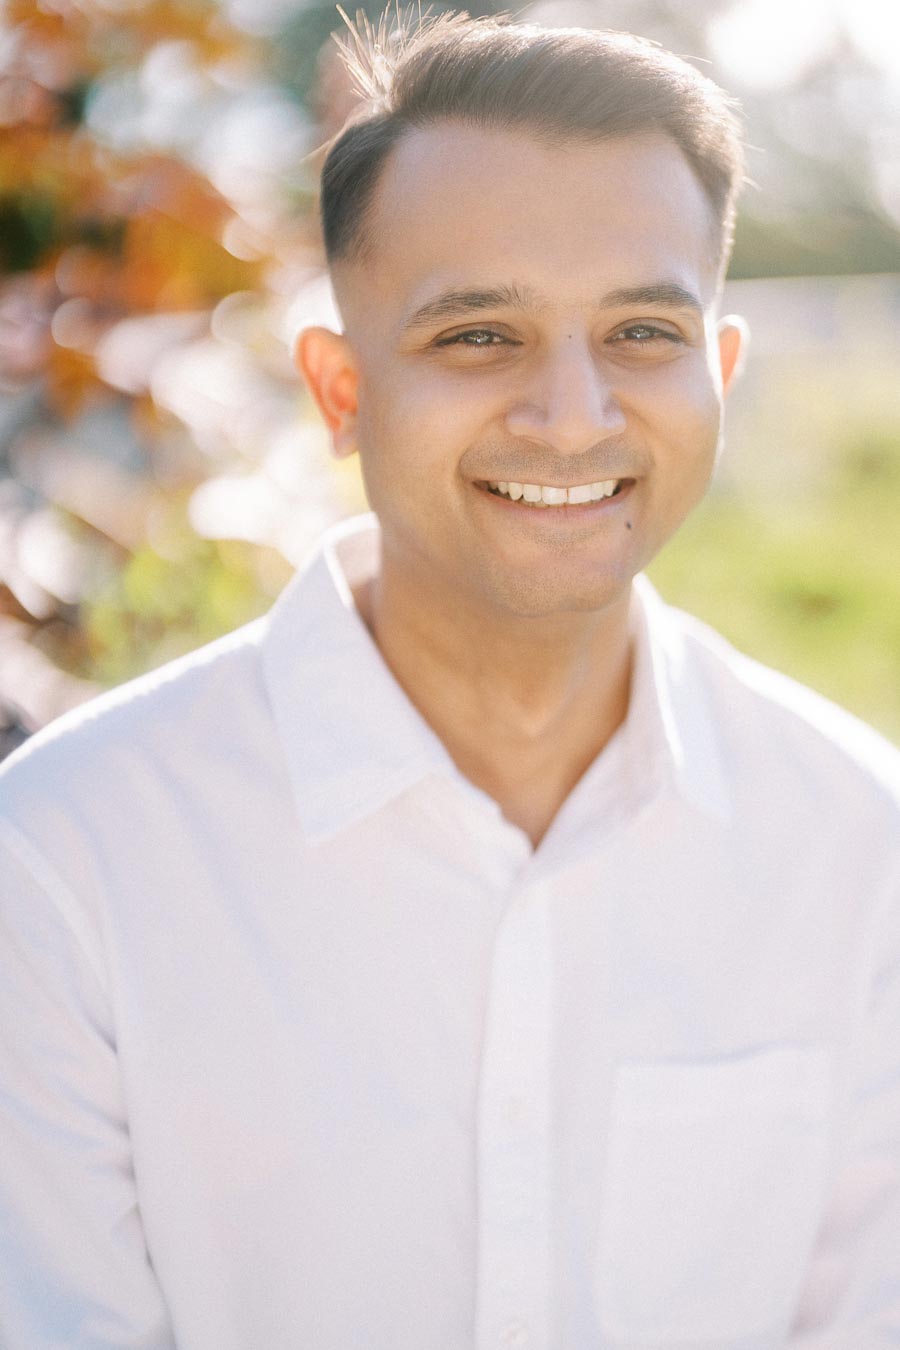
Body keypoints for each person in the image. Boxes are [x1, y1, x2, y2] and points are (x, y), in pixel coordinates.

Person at [1, 11, 898, 1348]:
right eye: (480, 335)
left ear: (720, 375)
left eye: (642, 333)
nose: (573, 414)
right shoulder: (69, 860)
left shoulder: (863, 848)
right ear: (342, 388)